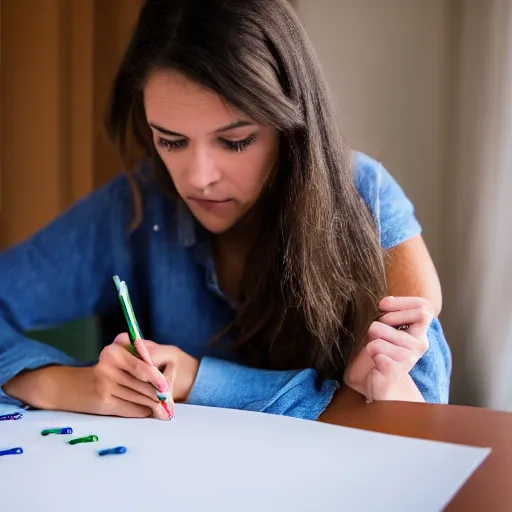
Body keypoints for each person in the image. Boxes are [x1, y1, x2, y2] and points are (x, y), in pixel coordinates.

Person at [0, 0, 451, 421]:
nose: (198, 177)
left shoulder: (364, 197)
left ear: (290, 125)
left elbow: (415, 412)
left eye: (235, 141)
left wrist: (199, 379)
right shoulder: (135, 204)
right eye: (170, 141)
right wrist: (54, 384)